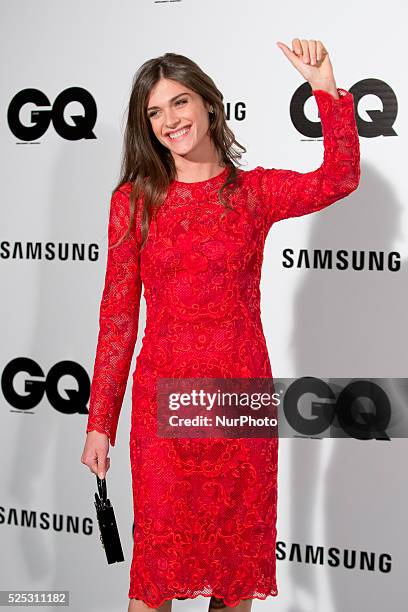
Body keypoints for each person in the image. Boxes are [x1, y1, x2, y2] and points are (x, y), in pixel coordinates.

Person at [81, 39, 360, 611]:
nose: (169, 121)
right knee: (153, 584)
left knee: (234, 585)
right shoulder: (134, 202)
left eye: (179, 103)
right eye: (153, 113)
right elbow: (117, 318)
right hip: (162, 410)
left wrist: (325, 89)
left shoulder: (252, 194)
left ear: (209, 105)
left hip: (239, 402)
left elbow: (339, 178)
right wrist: (99, 420)